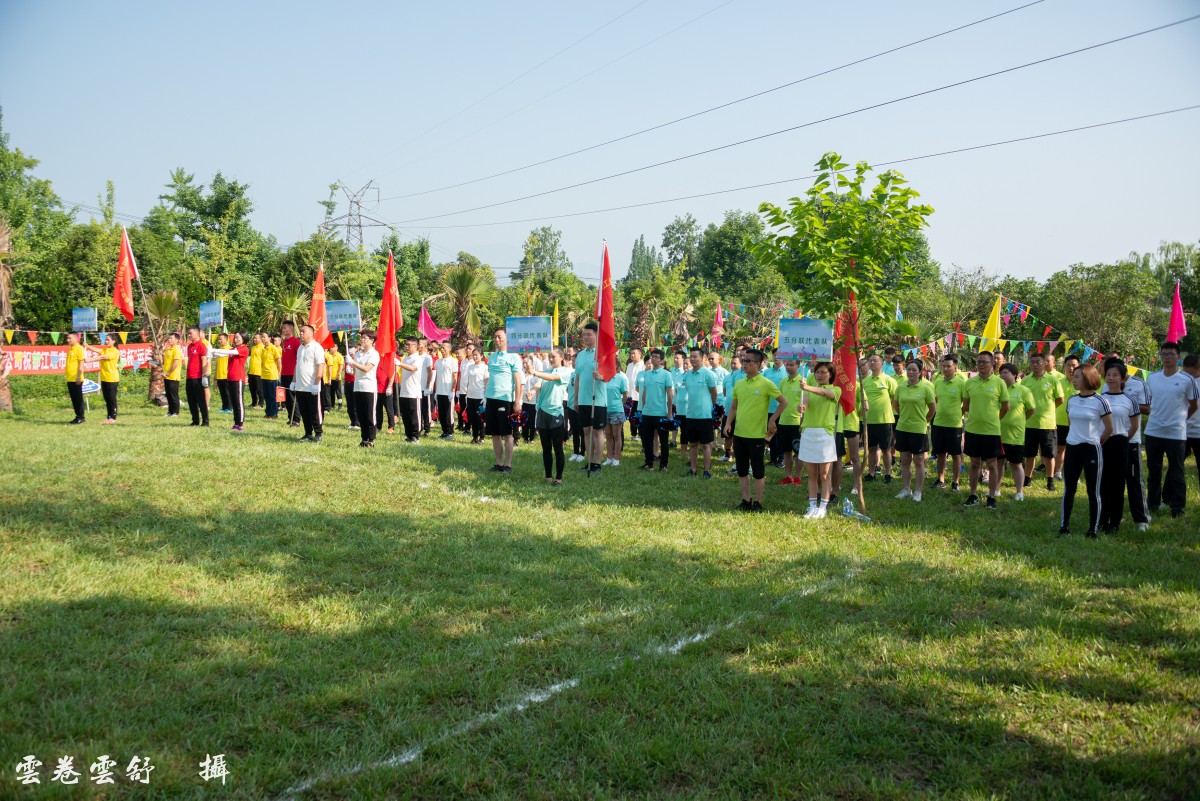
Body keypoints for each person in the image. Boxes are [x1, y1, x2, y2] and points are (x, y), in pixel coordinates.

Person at [723, 347, 787, 512]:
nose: (744, 364)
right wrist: (728, 423)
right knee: (742, 470)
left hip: (757, 435)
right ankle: (746, 500)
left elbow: (783, 402)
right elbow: (734, 407)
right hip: (739, 434)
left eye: (748, 361)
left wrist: (772, 420)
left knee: (758, 471)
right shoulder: (739, 384)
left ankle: (757, 502)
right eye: (743, 360)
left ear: (758, 364)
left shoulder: (766, 383)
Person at [1144, 341, 1199, 518]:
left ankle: (1178, 507)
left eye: (1171, 354)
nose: (1167, 358)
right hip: (1153, 431)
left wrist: (1181, 419)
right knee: (1154, 471)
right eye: (1164, 354)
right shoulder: (1152, 378)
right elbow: (1148, 402)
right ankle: (1153, 504)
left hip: (1176, 433)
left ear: (1178, 357)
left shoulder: (1187, 380)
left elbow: (1193, 405)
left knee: (1176, 472)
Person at [1060, 364, 1112, 537]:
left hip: (1091, 449)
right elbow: (1071, 423)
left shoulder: (1100, 401)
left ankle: (1092, 529)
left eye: (1077, 377)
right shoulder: (1072, 400)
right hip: (1072, 447)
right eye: (1073, 376)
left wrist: (1095, 441)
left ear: (1088, 378)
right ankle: (1064, 527)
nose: (1073, 379)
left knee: (1093, 491)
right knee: (1069, 489)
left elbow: (1109, 428)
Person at [961, 350, 1010, 509]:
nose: (981, 365)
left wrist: (994, 419)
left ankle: (991, 496)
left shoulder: (999, 383)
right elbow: (966, 405)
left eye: (984, 362)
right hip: (973, 429)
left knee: (992, 464)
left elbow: (1006, 406)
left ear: (992, 364)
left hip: (991, 431)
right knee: (974, 463)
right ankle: (973, 494)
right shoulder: (969, 383)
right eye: (979, 362)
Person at [1099, 360, 1141, 533]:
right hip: (1101, 442)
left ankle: (1114, 521)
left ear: (1123, 378)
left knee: (1117, 483)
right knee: (1102, 482)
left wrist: (1122, 439)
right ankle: (1102, 519)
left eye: (1115, 375)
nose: (1111, 378)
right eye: (1108, 374)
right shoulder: (1100, 399)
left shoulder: (1129, 400)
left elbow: (1135, 426)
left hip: (1120, 443)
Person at [795, 361, 839, 517]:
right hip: (809, 433)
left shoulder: (836, 390)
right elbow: (805, 404)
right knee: (812, 474)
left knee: (825, 474)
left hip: (824, 434)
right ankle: (813, 506)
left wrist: (807, 387)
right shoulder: (809, 391)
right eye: (817, 372)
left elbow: (826, 394)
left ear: (830, 374)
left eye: (823, 372)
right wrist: (801, 408)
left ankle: (823, 507)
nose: (819, 375)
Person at [1021, 352, 1065, 492]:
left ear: (1044, 363)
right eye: (1032, 362)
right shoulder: (1025, 380)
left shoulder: (1053, 380)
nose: (1035, 365)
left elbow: (1060, 399)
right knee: (1029, 454)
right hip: (1030, 424)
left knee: (1048, 455)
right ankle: (1027, 479)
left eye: (1038, 362)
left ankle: (1050, 480)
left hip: (1048, 424)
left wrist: (1048, 409)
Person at [893, 360, 936, 502]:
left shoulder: (926, 388)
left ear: (920, 372)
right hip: (902, 428)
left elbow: (932, 409)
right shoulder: (901, 387)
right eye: (909, 370)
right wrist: (904, 417)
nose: (911, 372)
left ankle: (918, 491)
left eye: (914, 370)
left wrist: (924, 420)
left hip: (918, 429)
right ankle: (906, 489)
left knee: (918, 461)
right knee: (905, 460)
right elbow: (896, 405)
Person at [528, 348, 571, 484]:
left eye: (554, 357)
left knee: (557, 447)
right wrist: (532, 391)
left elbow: (552, 378)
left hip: (556, 413)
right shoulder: (546, 371)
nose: (551, 359)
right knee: (546, 448)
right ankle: (548, 476)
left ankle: (558, 478)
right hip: (542, 412)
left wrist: (534, 372)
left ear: (562, 357)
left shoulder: (565, 372)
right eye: (550, 357)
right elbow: (539, 383)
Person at [485, 330, 524, 473]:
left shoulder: (514, 357)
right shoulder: (492, 357)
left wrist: (517, 401)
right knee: (494, 433)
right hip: (491, 398)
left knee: (507, 434)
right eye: (495, 337)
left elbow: (518, 381)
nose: (496, 339)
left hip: (505, 399)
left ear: (507, 339)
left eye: (499, 337)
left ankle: (508, 465)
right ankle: (499, 463)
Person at [572, 323, 607, 474]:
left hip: (597, 400)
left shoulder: (602, 353)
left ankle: (597, 464)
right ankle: (589, 462)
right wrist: (575, 399)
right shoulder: (580, 355)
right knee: (586, 430)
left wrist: (601, 377)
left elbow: (609, 375)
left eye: (589, 334)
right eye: (584, 334)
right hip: (583, 399)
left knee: (597, 431)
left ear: (596, 335)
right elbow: (578, 378)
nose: (585, 337)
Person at [998, 362, 1035, 500]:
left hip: (1015, 434)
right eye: (1000, 373)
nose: (1002, 375)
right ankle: (996, 489)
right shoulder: (998, 389)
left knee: (1015, 464)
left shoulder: (1024, 391)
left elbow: (1031, 410)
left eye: (1005, 373)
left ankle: (1019, 491)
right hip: (998, 432)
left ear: (1014, 374)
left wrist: (1020, 420)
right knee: (999, 463)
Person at [931, 353, 966, 491]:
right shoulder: (937, 382)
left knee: (956, 454)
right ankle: (940, 479)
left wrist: (957, 414)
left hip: (954, 424)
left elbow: (966, 404)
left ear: (955, 368)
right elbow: (935, 400)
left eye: (948, 366)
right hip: (938, 423)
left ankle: (955, 482)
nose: (945, 369)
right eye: (943, 366)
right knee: (940, 453)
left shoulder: (961, 383)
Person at [683, 348, 720, 479]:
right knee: (693, 444)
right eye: (691, 357)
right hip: (690, 414)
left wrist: (709, 406)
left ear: (702, 358)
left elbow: (714, 393)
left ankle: (707, 470)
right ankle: (693, 469)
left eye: (695, 357)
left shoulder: (708, 374)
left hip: (704, 415)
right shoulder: (687, 375)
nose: (693, 359)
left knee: (706, 444)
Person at [636, 349, 674, 472]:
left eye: (656, 357)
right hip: (647, 412)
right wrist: (643, 407)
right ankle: (649, 463)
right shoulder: (647, 374)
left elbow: (669, 395)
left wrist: (669, 412)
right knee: (647, 440)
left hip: (661, 412)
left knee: (663, 440)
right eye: (652, 356)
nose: (653, 359)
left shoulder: (666, 374)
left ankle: (663, 464)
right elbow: (644, 392)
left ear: (662, 360)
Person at [862, 355, 898, 484]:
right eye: (870, 361)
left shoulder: (889, 380)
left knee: (886, 449)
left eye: (875, 360)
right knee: (871, 449)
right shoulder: (865, 381)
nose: (872, 362)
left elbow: (895, 398)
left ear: (882, 364)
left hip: (884, 420)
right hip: (869, 421)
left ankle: (888, 474)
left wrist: (888, 410)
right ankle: (871, 473)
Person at [207, 332, 250, 431]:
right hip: (230, 377)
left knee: (239, 401)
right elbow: (221, 354)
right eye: (235, 337)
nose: (235, 339)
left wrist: (212, 350)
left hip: (238, 378)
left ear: (243, 338)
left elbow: (229, 352)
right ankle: (236, 423)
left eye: (238, 337)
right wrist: (210, 353)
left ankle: (240, 423)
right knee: (234, 402)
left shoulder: (243, 349)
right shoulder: (233, 349)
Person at [346, 330, 380, 447]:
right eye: (361, 337)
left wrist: (353, 363)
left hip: (369, 387)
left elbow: (366, 369)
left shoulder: (374, 354)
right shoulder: (358, 354)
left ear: (372, 340)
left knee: (369, 415)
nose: (362, 339)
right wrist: (350, 369)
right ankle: (364, 438)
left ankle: (371, 439)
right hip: (358, 386)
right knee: (361, 415)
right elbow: (356, 372)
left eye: (365, 338)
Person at [292, 324, 325, 442]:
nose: (301, 333)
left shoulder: (316, 347)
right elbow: (297, 365)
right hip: (300, 386)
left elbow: (320, 365)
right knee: (304, 411)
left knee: (315, 411)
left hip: (311, 386)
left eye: (303, 331)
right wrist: (294, 381)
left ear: (311, 333)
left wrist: (316, 383)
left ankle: (318, 433)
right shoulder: (300, 348)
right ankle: (308, 433)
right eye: (300, 331)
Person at [774, 358, 805, 486]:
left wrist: (803, 421)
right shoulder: (783, 382)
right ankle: (788, 476)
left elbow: (807, 403)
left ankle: (798, 477)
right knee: (786, 451)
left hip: (797, 422)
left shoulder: (803, 382)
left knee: (799, 451)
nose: (789, 367)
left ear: (798, 366)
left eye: (792, 365)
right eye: (787, 365)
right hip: (783, 421)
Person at [1054, 354, 1080, 481]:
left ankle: (1074, 473)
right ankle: (1058, 472)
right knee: (1060, 448)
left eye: (1074, 365)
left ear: (1078, 366)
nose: (1071, 368)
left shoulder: (1082, 384)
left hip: (1076, 422)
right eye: (1068, 365)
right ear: (1064, 366)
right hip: (1059, 421)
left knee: (1075, 449)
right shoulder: (1057, 382)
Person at [85, 334, 121, 424]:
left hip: (112, 378)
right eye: (106, 340)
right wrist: (88, 346)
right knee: (107, 399)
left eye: (108, 340)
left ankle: (113, 418)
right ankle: (109, 417)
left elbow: (103, 357)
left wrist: (89, 360)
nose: (106, 341)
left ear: (114, 341)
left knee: (111, 399)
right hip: (104, 378)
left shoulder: (115, 351)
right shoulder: (105, 350)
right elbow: (97, 350)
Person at [762, 351, 787, 467]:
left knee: (780, 435)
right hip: (769, 408)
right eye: (774, 355)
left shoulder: (786, 372)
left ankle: (781, 458)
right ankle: (773, 458)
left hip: (782, 408)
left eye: (779, 354)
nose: (777, 357)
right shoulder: (766, 372)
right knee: (770, 434)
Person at [397, 338, 424, 443]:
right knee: (406, 416)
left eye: (409, 345)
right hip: (404, 390)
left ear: (416, 346)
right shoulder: (405, 358)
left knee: (414, 416)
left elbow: (412, 368)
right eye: (406, 344)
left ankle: (415, 436)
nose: (407, 347)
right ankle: (408, 435)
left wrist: (400, 364)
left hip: (413, 392)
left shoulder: (417, 358)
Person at [184, 327, 211, 427]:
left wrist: (204, 376)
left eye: (191, 333)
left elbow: (204, 361)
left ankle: (205, 421)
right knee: (191, 400)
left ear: (197, 333)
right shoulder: (190, 346)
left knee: (201, 401)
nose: (189, 335)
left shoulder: (201, 345)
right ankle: (195, 420)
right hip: (189, 377)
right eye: (188, 334)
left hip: (198, 377)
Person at [603, 362, 628, 466]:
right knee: (608, 435)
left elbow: (625, 394)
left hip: (616, 410)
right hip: (605, 410)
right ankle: (609, 457)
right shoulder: (604, 378)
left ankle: (616, 458)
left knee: (616, 435)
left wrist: (620, 405)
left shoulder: (620, 378)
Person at [720, 354, 745, 462]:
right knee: (727, 434)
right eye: (732, 363)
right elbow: (725, 393)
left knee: (739, 436)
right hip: (729, 410)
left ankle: (738, 456)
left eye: (735, 363)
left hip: (741, 412)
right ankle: (727, 454)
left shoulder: (745, 376)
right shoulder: (728, 377)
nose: (733, 365)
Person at [435, 342, 460, 440]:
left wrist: (452, 391)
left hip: (448, 391)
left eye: (444, 347)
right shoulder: (438, 362)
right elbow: (437, 377)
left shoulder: (453, 361)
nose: (442, 349)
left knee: (448, 413)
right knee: (441, 413)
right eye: (441, 348)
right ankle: (444, 432)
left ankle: (449, 432)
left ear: (449, 349)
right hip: (440, 391)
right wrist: (436, 391)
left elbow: (455, 377)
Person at [464, 346, 488, 444]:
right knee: (472, 418)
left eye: (476, 355)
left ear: (481, 356)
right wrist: (466, 394)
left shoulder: (485, 367)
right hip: (470, 396)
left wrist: (485, 396)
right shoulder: (470, 367)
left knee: (480, 418)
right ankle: (474, 437)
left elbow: (486, 382)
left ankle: (482, 437)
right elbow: (468, 381)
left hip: (480, 397)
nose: (474, 357)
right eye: (473, 355)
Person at [279, 321, 301, 426]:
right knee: (286, 398)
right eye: (282, 328)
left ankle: (296, 419)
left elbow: (299, 358)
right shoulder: (285, 342)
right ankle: (290, 418)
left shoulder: (296, 342)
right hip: (284, 373)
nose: (283, 330)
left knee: (292, 397)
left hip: (292, 374)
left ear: (291, 329)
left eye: (285, 328)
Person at [1184, 354, 1200, 491]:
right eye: (1185, 372)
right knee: (1175, 467)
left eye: (1190, 373)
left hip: (1198, 433)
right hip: (1183, 432)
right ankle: (1166, 497)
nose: (1187, 376)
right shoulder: (1183, 383)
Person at [64, 332, 86, 424]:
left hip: (76, 378)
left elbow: (81, 363)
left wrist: (78, 376)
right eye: (67, 338)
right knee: (74, 399)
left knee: (78, 399)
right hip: (70, 378)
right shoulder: (70, 349)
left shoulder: (79, 348)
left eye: (70, 338)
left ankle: (81, 417)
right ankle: (77, 416)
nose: (68, 340)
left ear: (76, 339)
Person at [520, 353, 541, 445]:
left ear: (532, 364)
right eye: (523, 363)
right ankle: (525, 437)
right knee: (524, 420)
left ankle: (531, 437)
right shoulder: (522, 375)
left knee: (532, 421)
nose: (525, 365)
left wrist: (537, 400)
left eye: (527, 363)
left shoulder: (535, 376)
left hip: (532, 402)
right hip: (523, 401)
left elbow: (537, 389)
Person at [625, 347, 645, 441]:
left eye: (634, 353)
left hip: (639, 396)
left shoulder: (643, 365)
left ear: (640, 354)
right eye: (631, 353)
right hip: (630, 395)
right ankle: (633, 434)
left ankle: (641, 434)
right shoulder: (629, 365)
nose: (632, 355)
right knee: (631, 416)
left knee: (639, 415)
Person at [261, 334, 282, 420]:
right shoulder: (263, 348)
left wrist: (278, 373)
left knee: (273, 396)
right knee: (266, 396)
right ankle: (268, 412)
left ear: (269, 338)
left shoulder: (273, 348)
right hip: (264, 375)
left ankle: (274, 413)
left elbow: (278, 361)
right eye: (262, 337)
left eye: (264, 337)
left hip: (272, 376)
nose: (263, 338)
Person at [214, 333, 231, 414]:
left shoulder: (230, 350)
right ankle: (224, 407)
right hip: (219, 375)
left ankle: (229, 407)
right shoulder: (219, 350)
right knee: (222, 393)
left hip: (226, 375)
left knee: (227, 392)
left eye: (221, 339)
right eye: (219, 339)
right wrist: (215, 375)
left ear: (226, 339)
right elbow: (217, 364)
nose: (219, 341)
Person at [324, 345, 344, 413]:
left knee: (338, 392)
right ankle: (332, 405)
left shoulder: (339, 356)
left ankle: (340, 404)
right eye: (331, 347)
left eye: (333, 347)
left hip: (336, 377)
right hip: (330, 378)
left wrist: (338, 374)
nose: (331, 348)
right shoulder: (330, 356)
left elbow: (341, 366)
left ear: (336, 348)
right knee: (331, 392)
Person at [247, 333, 264, 409]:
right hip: (251, 371)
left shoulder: (263, 347)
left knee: (259, 389)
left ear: (261, 339)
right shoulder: (253, 348)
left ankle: (261, 403)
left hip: (259, 372)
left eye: (256, 338)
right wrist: (249, 369)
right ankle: (254, 402)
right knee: (252, 388)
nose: (255, 339)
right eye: (254, 338)